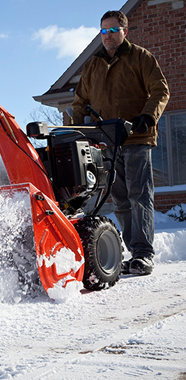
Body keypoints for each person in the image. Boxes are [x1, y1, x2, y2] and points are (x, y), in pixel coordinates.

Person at [72, 10, 170, 275]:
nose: (108, 36)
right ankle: (133, 253)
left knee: (139, 196)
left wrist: (148, 116)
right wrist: (76, 131)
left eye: (113, 30)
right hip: (107, 143)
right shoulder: (93, 65)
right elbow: (80, 102)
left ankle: (143, 254)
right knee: (121, 200)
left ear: (125, 31)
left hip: (136, 137)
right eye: (103, 31)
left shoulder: (139, 57)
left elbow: (160, 90)